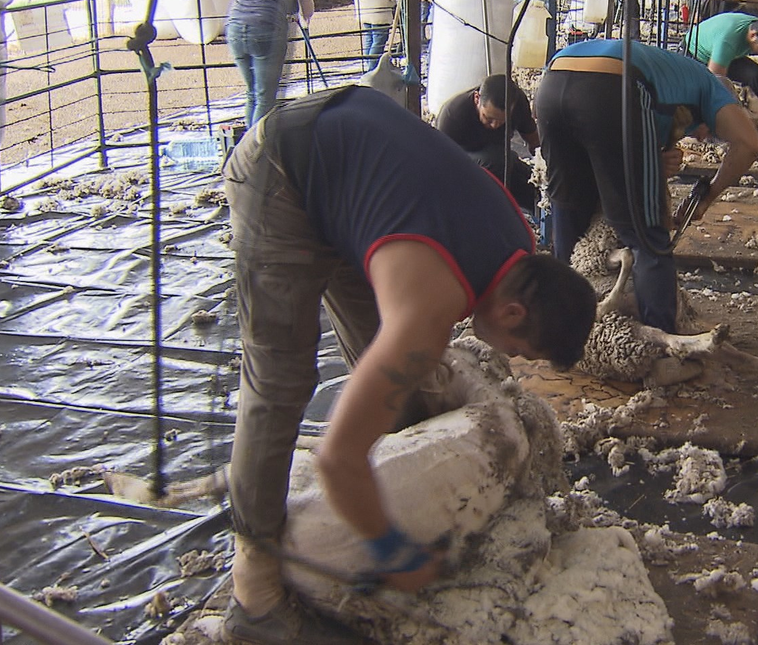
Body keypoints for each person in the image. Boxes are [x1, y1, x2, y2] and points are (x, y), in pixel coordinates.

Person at [221, 84, 597, 645]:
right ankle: (254, 592)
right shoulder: (428, 308)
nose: (511, 359)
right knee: (281, 380)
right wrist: (391, 549)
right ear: (514, 311)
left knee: (389, 358)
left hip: (352, 163)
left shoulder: (520, 239)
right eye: (522, 350)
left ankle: (402, 468)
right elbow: (336, 459)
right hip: (282, 169)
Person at [535, 40, 758, 333]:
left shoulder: (674, 77)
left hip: (553, 82)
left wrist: (653, 162)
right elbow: (749, 144)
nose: (704, 139)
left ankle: (564, 327)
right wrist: (708, 196)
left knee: (569, 211)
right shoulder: (713, 88)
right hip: (613, 85)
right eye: (711, 132)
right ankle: (662, 340)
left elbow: (610, 152)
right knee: (647, 232)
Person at [226, 0, 314, 128]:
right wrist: (295, 13)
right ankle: (255, 153)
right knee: (266, 98)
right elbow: (308, 9)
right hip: (267, 27)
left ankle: (248, 146)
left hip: (235, 25)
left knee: (252, 94)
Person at [436, 74, 541, 212]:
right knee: (497, 160)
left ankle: (538, 213)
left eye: (502, 120)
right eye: (488, 118)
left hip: (501, 156)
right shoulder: (453, 115)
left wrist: (543, 167)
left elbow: (534, 140)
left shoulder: (518, 103)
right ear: (477, 99)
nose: (495, 125)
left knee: (532, 184)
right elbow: (441, 164)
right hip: (461, 163)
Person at [683, 11, 758, 97]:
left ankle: (751, 104)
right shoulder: (728, 40)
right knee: (706, 94)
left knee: (756, 75)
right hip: (695, 55)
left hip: (725, 55)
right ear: (752, 36)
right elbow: (715, 82)